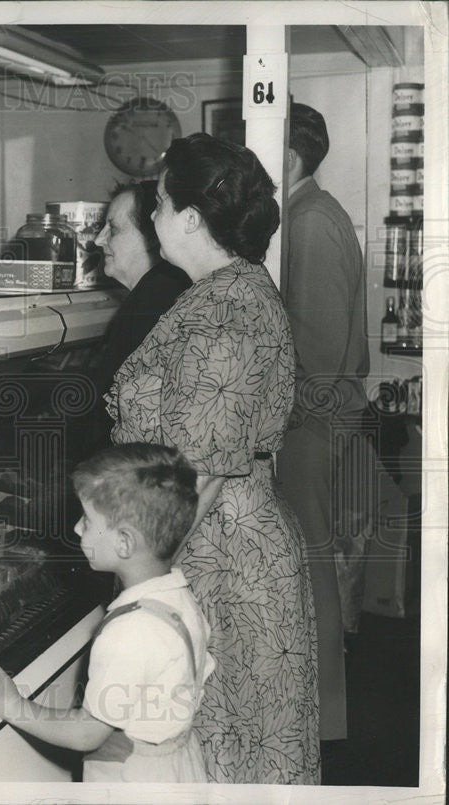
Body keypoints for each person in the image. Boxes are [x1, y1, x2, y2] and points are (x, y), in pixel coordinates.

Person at [106, 133, 320, 784]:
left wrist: (146, 580)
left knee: (230, 761)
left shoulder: (222, 311)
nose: (153, 216)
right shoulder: (229, 290)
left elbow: (205, 472)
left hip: (223, 566)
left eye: (162, 203)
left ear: (193, 219)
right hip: (228, 551)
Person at [0, 442, 214, 783]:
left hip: (134, 778)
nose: (77, 529)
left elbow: (88, 733)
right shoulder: (179, 597)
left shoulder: (128, 632)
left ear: (124, 542)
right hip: (176, 764)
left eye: (88, 519)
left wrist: (14, 706)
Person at [275, 103, 369, 753]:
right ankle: (318, 714)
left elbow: (319, 348)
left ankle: (321, 719)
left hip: (313, 418)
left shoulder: (307, 222)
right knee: (317, 565)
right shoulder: (314, 213)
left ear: (289, 159)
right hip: (322, 414)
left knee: (310, 571)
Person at [87, 182, 192, 444]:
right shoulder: (155, 292)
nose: (98, 240)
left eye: (114, 229)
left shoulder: (154, 301)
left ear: (152, 236)